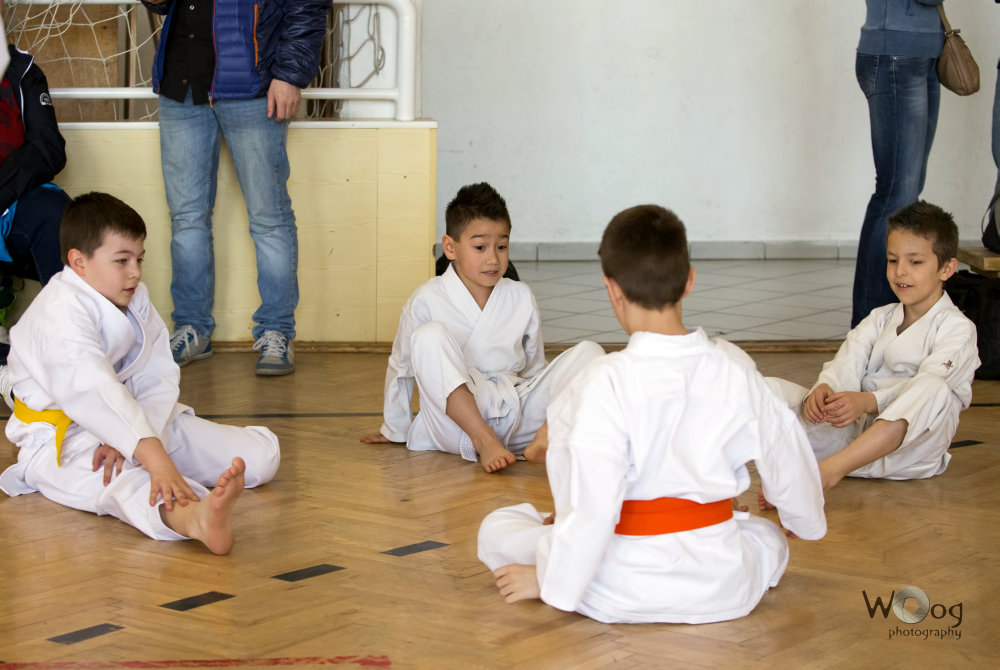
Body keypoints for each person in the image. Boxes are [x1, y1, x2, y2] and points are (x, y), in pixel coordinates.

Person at [477, 205, 826, 624]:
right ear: (690, 280)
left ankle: (557, 569)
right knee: (767, 537)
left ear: (612, 290)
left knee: (497, 529)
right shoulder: (733, 366)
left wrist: (552, 580)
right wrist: (803, 519)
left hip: (619, 584)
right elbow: (785, 450)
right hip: (720, 582)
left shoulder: (602, 381)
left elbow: (590, 510)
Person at [0, 192, 281, 554]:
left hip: (140, 422)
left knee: (261, 459)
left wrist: (132, 440)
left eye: (139, 259)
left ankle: (167, 470)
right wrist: (150, 455)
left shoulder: (133, 296)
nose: (135, 271)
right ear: (79, 261)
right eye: (122, 260)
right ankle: (194, 517)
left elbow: (155, 376)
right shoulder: (58, 313)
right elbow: (93, 390)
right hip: (64, 441)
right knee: (124, 484)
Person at [141, 0, 330, 376]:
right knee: (186, 219)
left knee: (269, 218)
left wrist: (290, 75)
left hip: (253, 87)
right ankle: (192, 328)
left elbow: (307, 6)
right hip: (182, 86)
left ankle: (277, 330)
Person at [361, 183, 603, 473]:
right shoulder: (426, 298)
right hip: (453, 426)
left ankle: (546, 436)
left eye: (501, 247)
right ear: (450, 247)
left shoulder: (520, 295)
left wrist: (541, 406)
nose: (493, 259)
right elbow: (402, 366)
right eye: (480, 247)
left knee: (591, 353)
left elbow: (534, 370)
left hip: (515, 417)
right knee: (429, 336)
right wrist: (395, 428)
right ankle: (484, 440)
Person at [765, 201, 978, 498]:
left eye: (915, 262)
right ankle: (712, 468)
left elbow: (929, 389)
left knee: (934, 388)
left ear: (947, 268)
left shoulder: (958, 329)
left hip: (910, 455)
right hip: (851, 438)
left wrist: (868, 401)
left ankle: (827, 472)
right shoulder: (879, 318)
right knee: (765, 390)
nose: (900, 272)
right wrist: (826, 390)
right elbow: (846, 364)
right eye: (892, 260)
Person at [852, 0, 945, 328]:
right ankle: (868, 325)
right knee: (896, 192)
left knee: (907, 190)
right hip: (895, 54)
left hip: (924, 52)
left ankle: (888, 319)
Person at [0, 34, 72, 369]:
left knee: (55, 212)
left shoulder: (22, 69)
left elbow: (49, 147)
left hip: (11, 204)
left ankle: (70, 340)